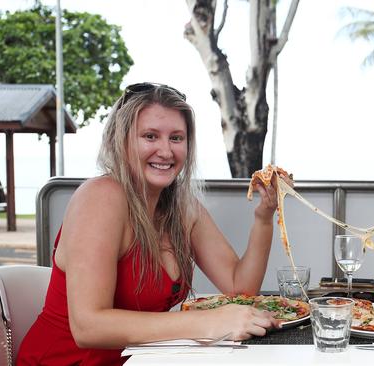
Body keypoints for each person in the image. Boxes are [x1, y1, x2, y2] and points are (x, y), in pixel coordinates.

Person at [18, 83, 286, 365]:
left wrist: (264, 217)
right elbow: (88, 327)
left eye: (176, 138)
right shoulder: (100, 198)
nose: (166, 151)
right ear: (121, 141)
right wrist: (207, 322)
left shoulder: (183, 208)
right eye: (150, 136)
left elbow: (239, 287)